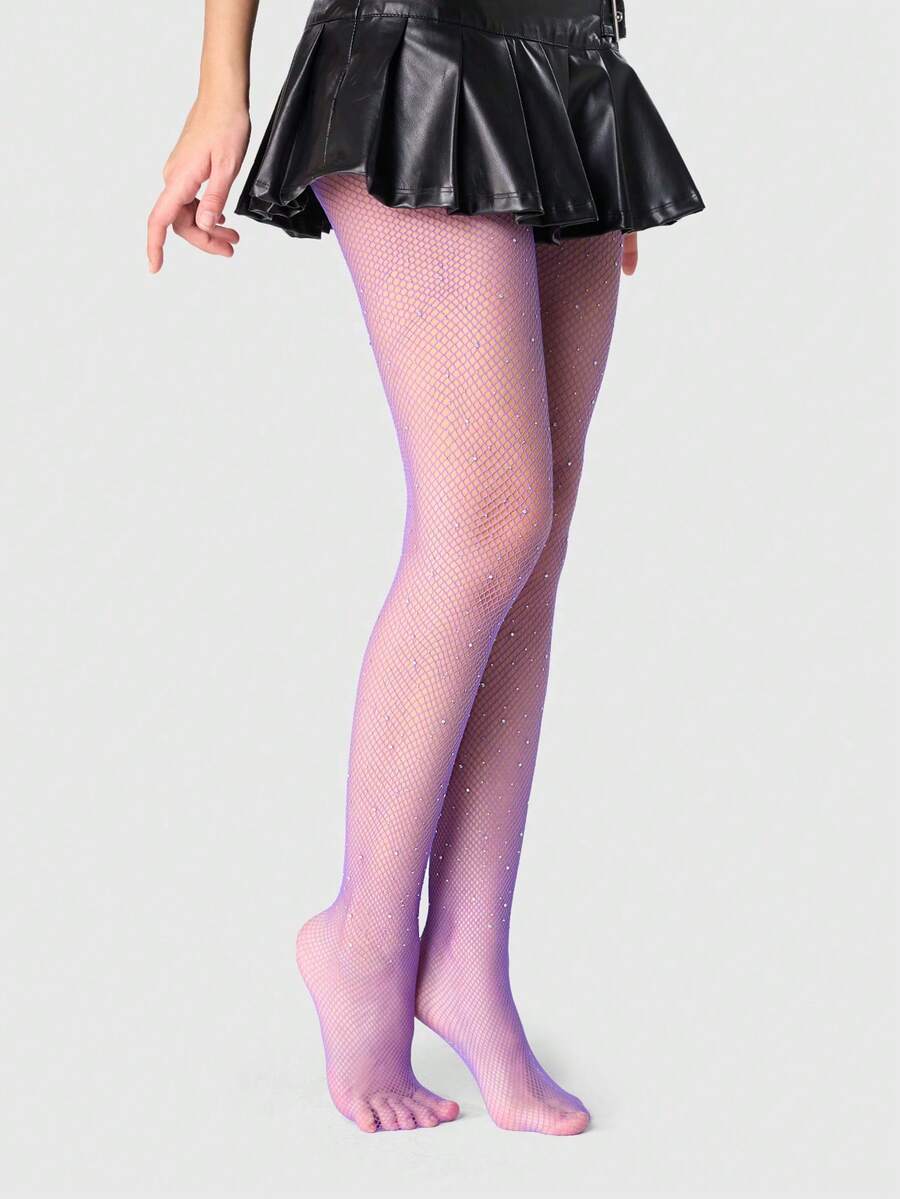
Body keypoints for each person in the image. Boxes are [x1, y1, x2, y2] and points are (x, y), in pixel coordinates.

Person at [147, 0, 703, 1136]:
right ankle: (363, 939)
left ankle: (467, 960)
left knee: (532, 538)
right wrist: (219, 81)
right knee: (487, 521)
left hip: (567, 58)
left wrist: (586, 121)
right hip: (416, 40)